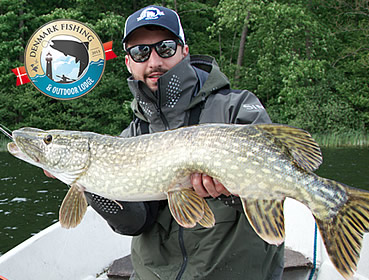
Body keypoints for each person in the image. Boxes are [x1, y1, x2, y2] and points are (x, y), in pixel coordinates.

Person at [45, 5, 282, 279]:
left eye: (165, 48)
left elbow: (275, 174)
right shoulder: (131, 137)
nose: (154, 61)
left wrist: (230, 192)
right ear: (128, 62)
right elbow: (135, 222)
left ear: (184, 51)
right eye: (140, 52)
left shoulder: (236, 108)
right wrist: (89, 185)